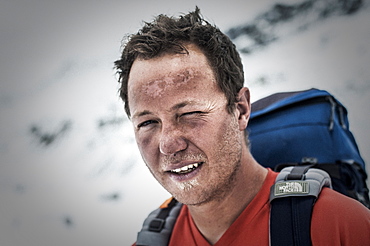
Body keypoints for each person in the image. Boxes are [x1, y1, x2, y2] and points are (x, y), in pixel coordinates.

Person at [114, 7, 370, 246]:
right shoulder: (153, 240)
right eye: (147, 122)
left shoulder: (339, 227)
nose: (168, 144)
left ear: (240, 110)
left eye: (190, 113)